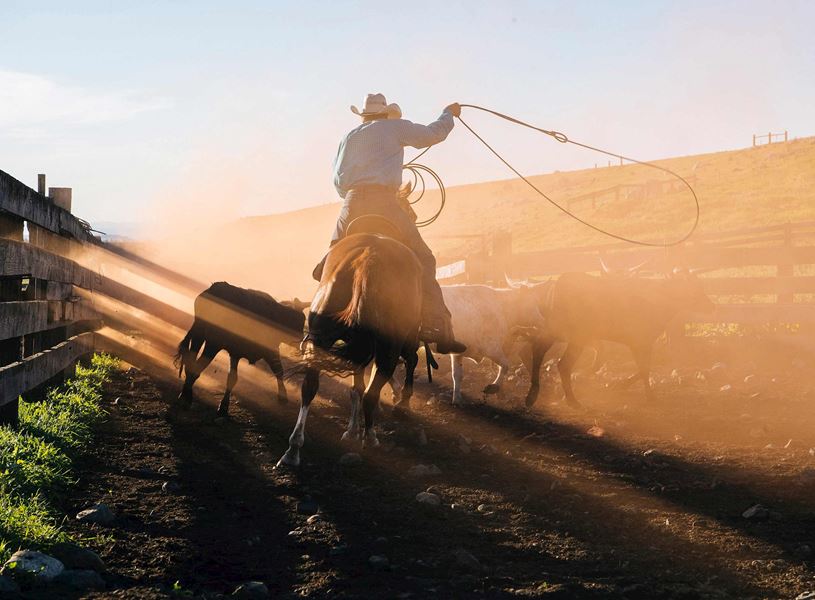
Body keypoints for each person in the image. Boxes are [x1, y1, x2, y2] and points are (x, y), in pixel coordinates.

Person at [317, 93, 466, 354]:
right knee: (425, 258)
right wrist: (448, 114)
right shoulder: (396, 127)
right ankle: (436, 324)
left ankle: (318, 326)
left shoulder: (349, 137)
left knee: (328, 261)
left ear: (363, 115)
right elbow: (434, 134)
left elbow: (338, 180)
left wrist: (356, 193)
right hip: (386, 202)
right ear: (385, 113)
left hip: (351, 204)